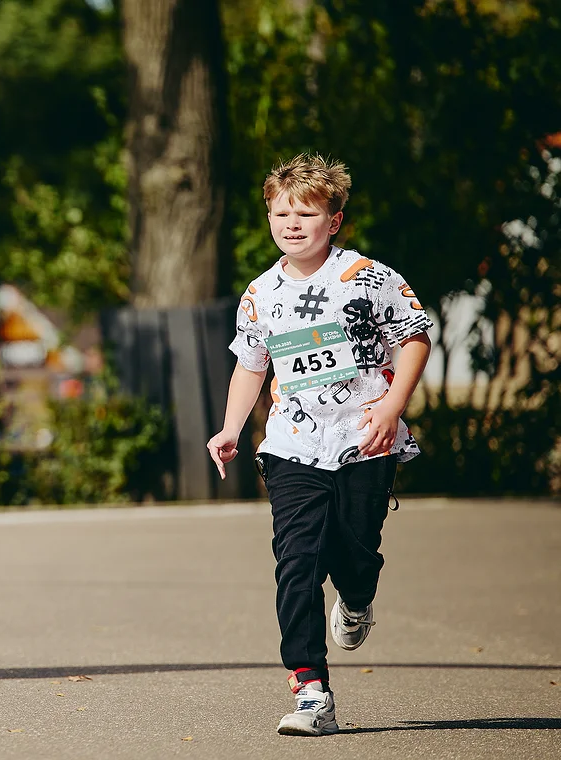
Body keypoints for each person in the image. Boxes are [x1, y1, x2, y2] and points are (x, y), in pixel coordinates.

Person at [206, 154, 432, 736]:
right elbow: (251, 367)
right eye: (280, 213)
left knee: (355, 554)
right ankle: (311, 688)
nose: (292, 222)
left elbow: (414, 340)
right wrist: (231, 428)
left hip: (364, 439)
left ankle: (357, 598)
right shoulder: (261, 294)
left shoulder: (369, 277)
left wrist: (391, 407)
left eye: (306, 212)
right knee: (297, 561)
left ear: (334, 220)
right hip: (292, 444)